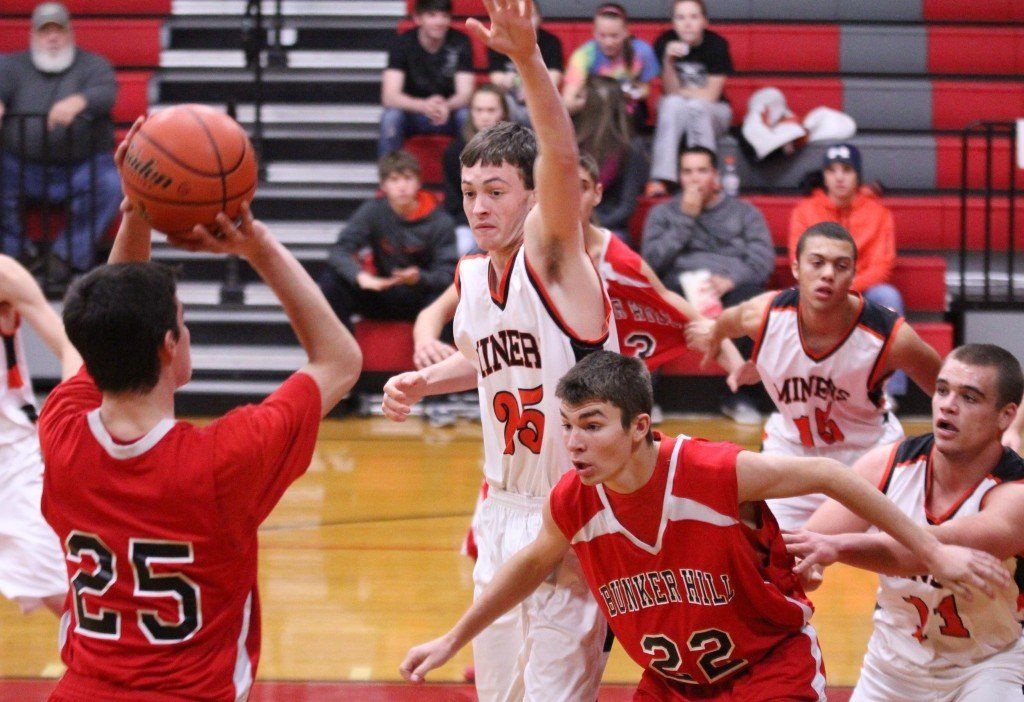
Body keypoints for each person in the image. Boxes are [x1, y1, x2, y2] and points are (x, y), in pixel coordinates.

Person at [399, 350, 1007, 699]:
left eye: (592, 425)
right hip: (671, 685)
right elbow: (533, 563)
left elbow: (829, 473)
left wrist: (932, 552)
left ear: (639, 427)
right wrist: (452, 638)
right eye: (567, 425)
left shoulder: (710, 470)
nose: (574, 443)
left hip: (766, 672)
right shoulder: (573, 500)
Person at [39, 118, 362, 701]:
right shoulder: (226, 457)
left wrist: (139, 208)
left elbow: (112, 316)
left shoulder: (61, 432)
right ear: (170, 344)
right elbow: (340, 360)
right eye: (183, 322)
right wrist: (258, 247)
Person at [382, 1, 616, 698]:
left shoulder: (556, 260)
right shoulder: (472, 277)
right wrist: (426, 383)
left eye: (496, 192)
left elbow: (561, 156)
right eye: (468, 193)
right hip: (501, 508)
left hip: (569, 507)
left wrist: (528, 59)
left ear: (534, 197)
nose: (479, 207)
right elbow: (491, 363)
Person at [786, 344, 1024, 701]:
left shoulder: (1015, 494)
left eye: (969, 397)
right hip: (892, 666)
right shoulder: (888, 465)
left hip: (988, 665)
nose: (948, 405)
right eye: (942, 390)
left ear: (1005, 416)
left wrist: (835, 547)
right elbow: (809, 543)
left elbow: (922, 550)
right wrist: (806, 565)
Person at [688, 222, 944, 531]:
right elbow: (727, 321)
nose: (828, 274)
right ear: (796, 268)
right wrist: (724, 347)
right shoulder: (763, 314)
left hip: (868, 458)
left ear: (854, 274)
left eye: (841, 266)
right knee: (773, 555)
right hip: (792, 455)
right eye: (817, 262)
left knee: (897, 557)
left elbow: (944, 387)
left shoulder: (889, 336)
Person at [642, 145, 774, 424]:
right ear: (679, 177)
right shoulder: (663, 213)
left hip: (729, 287)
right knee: (649, 300)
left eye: (702, 171)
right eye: (687, 172)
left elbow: (762, 261)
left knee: (754, 303)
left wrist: (731, 280)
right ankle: (646, 399)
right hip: (678, 287)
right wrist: (685, 217)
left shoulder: (744, 212)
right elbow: (652, 262)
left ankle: (741, 396)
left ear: (715, 175)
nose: (695, 178)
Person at [0, 1, 123, 277]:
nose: (52, 37)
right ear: (33, 35)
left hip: (82, 165)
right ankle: (18, 253)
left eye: (59, 30)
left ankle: (65, 256)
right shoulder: (9, 65)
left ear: (70, 33)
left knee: (110, 185)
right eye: (45, 31)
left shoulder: (94, 65)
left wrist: (80, 101)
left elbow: (107, 93)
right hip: (19, 165)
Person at [788, 143, 909, 401]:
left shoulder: (878, 213)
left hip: (863, 289)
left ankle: (889, 391)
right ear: (824, 176)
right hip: (820, 286)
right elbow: (800, 260)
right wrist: (831, 286)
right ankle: (803, 387)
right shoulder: (805, 211)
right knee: (794, 298)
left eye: (846, 170)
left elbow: (883, 265)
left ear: (858, 176)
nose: (839, 177)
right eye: (832, 170)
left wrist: (846, 288)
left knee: (888, 297)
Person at [0, 254, 81, 616]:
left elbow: (70, 345)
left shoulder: (4, 274)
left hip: (12, 461)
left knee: (67, 600)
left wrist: (65, 418)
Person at [318, 149, 458, 331]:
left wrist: (419, 277)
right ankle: (342, 345)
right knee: (331, 281)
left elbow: (447, 275)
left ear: (419, 182)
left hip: (422, 296)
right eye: (394, 180)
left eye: (408, 179)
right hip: (383, 291)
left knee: (449, 297)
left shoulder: (440, 220)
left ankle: (435, 346)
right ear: (383, 185)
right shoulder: (373, 211)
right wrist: (360, 277)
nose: (402, 187)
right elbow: (339, 252)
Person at [647, 0, 734, 195]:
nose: (687, 23)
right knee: (671, 103)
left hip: (714, 111)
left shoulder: (716, 45)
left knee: (697, 106)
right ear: (673, 22)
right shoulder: (664, 42)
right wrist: (668, 60)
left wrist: (683, 93)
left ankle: (708, 176)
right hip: (677, 109)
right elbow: (670, 91)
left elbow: (711, 95)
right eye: (681, 17)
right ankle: (661, 178)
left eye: (693, 17)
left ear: (704, 21)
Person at [379, 0, 474, 156]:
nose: (439, 22)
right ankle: (390, 170)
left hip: (448, 112)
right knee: (391, 118)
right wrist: (424, 106)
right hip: (413, 113)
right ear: (418, 18)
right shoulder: (402, 43)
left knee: (466, 116)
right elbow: (389, 97)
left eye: (444, 16)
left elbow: (466, 94)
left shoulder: (460, 41)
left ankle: (473, 171)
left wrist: (446, 106)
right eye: (432, 15)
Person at [574, 76, 648, 244]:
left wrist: (589, 226)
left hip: (608, 223)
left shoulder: (631, 148)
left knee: (615, 239)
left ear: (592, 106)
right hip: (570, 220)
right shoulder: (572, 141)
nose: (576, 104)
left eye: (582, 98)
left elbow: (626, 208)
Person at [560, 3, 659, 127]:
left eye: (614, 36)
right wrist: (598, 99)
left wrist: (626, 95)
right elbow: (568, 102)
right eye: (603, 35)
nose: (609, 42)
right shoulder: (584, 55)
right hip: (592, 110)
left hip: (629, 110)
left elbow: (646, 89)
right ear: (594, 33)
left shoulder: (642, 51)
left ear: (626, 32)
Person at [442, 84, 509, 255]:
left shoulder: (517, 150)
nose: (484, 116)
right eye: (479, 110)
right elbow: (453, 203)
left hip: (511, 220)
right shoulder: (455, 151)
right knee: (463, 247)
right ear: (471, 113)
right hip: (471, 222)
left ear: (503, 112)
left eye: (491, 110)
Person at [487, 0, 563, 125]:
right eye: (519, 16)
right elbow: (495, 77)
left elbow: (554, 78)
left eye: (530, 15)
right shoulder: (500, 40)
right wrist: (505, 80)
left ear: (540, 18)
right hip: (509, 98)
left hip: (541, 98)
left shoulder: (551, 42)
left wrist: (533, 92)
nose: (525, 21)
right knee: (496, 105)